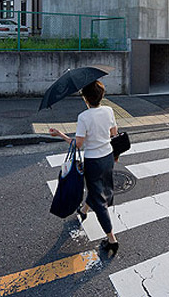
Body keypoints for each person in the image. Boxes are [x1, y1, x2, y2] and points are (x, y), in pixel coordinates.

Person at [49, 80, 119, 257]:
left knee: (99, 199)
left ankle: (112, 240)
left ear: (86, 99)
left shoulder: (84, 117)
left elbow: (78, 144)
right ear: (101, 96)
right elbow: (114, 133)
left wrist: (60, 134)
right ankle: (83, 210)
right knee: (97, 189)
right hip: (108, 157)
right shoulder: (109, 110)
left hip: (94, 161)